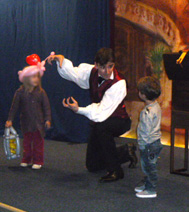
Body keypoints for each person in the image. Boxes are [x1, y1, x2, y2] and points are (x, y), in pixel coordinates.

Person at [47, 48, 135, 182]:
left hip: (119, 120)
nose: (107, 71)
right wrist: (61, 59)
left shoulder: (119, 83)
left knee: (102, 128)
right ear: (96, 65)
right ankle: (125, 152)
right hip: (101, 119)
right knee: (93, 165)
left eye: (110, 66)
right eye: (102, 67)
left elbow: (101, 112)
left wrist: (78, 110)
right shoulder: (91, 72)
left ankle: (116, 171)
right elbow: (74, 74)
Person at [5, 59, 51, 170]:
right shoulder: (20, 92)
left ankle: (38, 160)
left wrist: (47, 119)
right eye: (33, 77)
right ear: (26, 78)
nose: (36, 79)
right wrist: (10, 119)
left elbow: (46, 107)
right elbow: (14, 107)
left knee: (38, 144)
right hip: (26, 123)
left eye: (37, 77)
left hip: (38, 124)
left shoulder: (41, 92)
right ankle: (26, 159)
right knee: (26, 143)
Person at [135, 76, 163, 198]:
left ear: (143, 95)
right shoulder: (156, 106)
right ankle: (147, 184)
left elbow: (145, 131)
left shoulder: (147, 112)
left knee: (149, 167)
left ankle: (151, 189)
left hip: (148, 144)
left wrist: (142, 145)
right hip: (155, 142)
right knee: (148, 165)